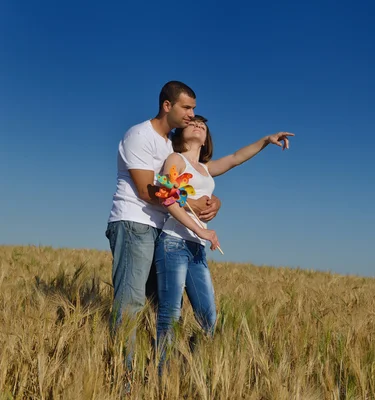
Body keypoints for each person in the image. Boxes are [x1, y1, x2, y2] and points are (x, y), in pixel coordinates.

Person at [153, 114, 293, 374]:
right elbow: (167, 197)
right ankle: (162, 377)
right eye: (192, 123)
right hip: (173, 243)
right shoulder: (176, 160)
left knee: (209, 319)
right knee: (170, 316)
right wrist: (201, 231)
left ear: (206, 138)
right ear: (180, 133)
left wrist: (266, 140)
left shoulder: (206, 168)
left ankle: (186, 368)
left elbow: (236, 158)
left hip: (196, 249)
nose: (197, 125)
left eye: (202, 125)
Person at [105, 81, 222, 373]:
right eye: (187, 107)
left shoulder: (172, 145)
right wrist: (192, 206)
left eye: (194, 108)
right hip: (135, 223)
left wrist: (212, 202)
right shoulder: (139, 135)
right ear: (167, 106)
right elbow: (146, 190)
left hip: (162, 229)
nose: (192, 114)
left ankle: (161, 371)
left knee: (161, 306)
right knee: (131, 304)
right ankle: (124, 379)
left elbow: (187, 182)